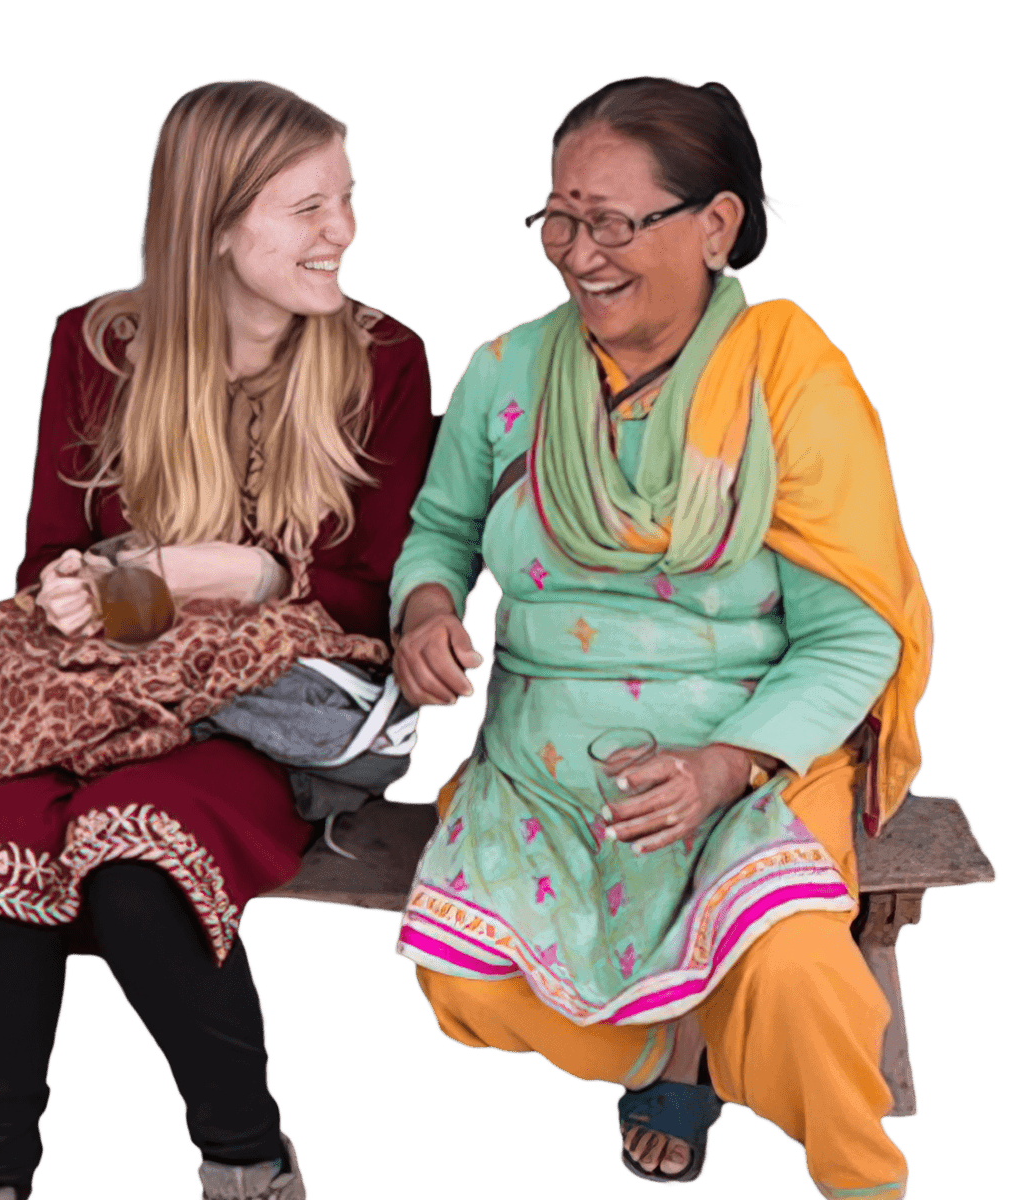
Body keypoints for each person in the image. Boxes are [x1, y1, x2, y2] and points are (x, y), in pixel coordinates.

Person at [389, 76, 930, 1200]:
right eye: (557, 216)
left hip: (744, 764)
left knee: (796, 983)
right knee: (466, 989)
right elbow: (439, 530)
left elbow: (849, 637)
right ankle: (673, 1043)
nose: (575, 251)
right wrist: (427, 608)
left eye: (610, 221)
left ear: (715, 225)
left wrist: (723, 764)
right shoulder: (506, 374)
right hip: (548, 770)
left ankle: (863, 1179)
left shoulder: (792, 384)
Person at [0, 81, 434, 1200]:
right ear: (215, 222)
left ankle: (248, 1165)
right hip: (95, 686)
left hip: (263, 703)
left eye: (346, 198)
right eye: (308, 207)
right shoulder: (95, 344)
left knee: (137, 856)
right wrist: (66, 590)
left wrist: (231, 572)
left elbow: (373, 599)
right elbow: (47, 550)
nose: (343, 229)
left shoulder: (381, 361)